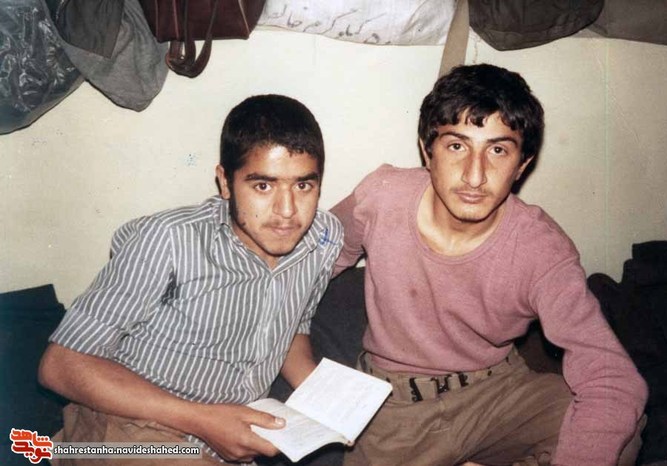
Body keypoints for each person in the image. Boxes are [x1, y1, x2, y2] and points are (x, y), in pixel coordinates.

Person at [332, 64, 647, 466]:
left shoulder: (541, 248)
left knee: (618, 431)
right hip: (396, 408)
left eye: (497, 150)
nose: (475, 175)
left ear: (521, 166)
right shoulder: (382, 196)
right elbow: (306, 264)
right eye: (457, 146)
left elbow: (612, 377)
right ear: (428, 151)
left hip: (496, 393)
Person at [38, 94, 343, 465]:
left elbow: (292, 329)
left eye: (303, 186)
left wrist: (324, 397)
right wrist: (204, 421)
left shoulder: (323, 239)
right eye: (263, 186)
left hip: (229, 433)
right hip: (128, 424)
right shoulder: (168, 240)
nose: (287, 211)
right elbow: (60, 365)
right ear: (225, 183)